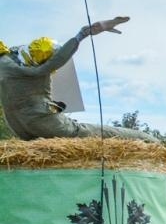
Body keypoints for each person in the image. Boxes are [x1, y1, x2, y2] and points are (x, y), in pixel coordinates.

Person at [0, 16, 154, 141]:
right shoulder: (31, 71)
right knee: (90, 132)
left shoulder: (5, 61)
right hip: (44, 123)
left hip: (18, 126)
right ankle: (149, 140)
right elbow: (57, 60)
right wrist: (83, 34)